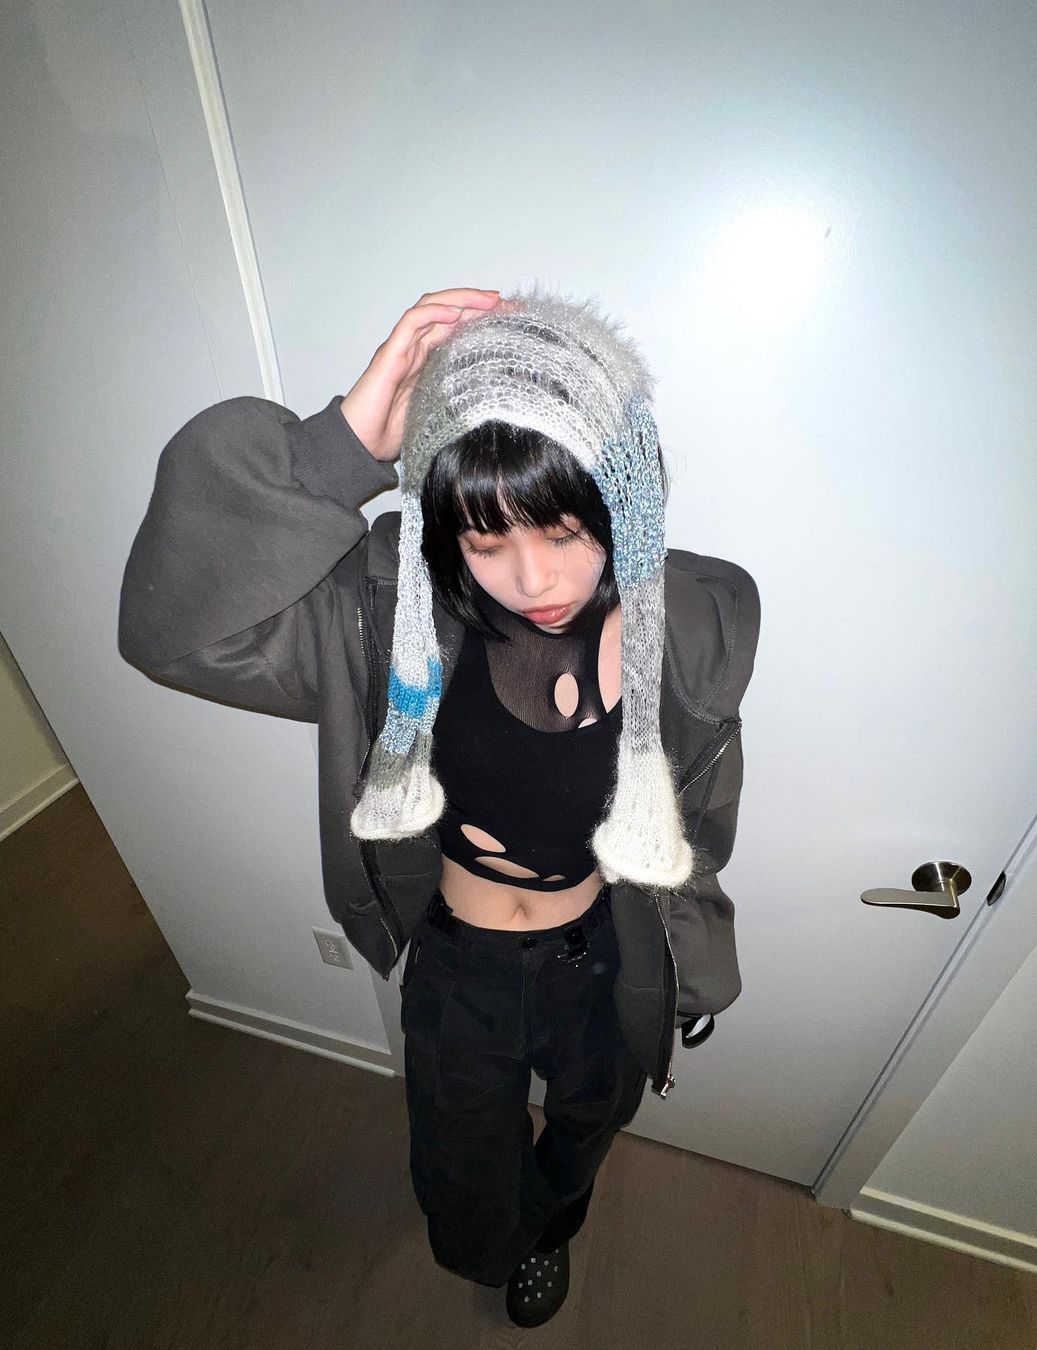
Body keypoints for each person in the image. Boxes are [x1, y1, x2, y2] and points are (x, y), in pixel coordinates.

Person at [118, 285, 760, 1327]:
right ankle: (500, 1244)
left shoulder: (686, 631)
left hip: (609, 949)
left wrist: (693, 964)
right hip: (464, 964)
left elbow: (700, 829)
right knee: (462, 1166)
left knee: (592, 1120)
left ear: (625, 494)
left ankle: (552, 1225)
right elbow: (176, 633)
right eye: (485, 540)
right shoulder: (389, 616)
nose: (533, 578)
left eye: (564, 529)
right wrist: (339, 450)